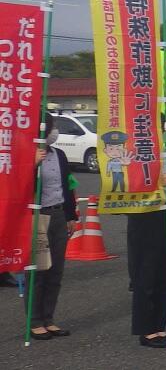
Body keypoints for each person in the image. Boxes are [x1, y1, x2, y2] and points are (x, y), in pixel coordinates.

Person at [29, 115, 78, 340]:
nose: (55, 132)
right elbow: (19, 187)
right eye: (52, 127)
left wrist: (71, 215)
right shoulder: (27, 155)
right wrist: (32, 165)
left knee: (56, 270)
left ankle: (49, 318)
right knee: (39, 270)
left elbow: (68, 186)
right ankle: (35, 320)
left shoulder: (59, 154)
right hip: (37, 216)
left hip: (59, 214)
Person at [124, 174, 166, 348]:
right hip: (144, 212)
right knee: (146, 272)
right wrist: (156, 183)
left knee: (165, 271)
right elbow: (124, 182)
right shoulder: (134, 151)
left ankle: (160, 326)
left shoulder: (165, 152)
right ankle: (146, 329)